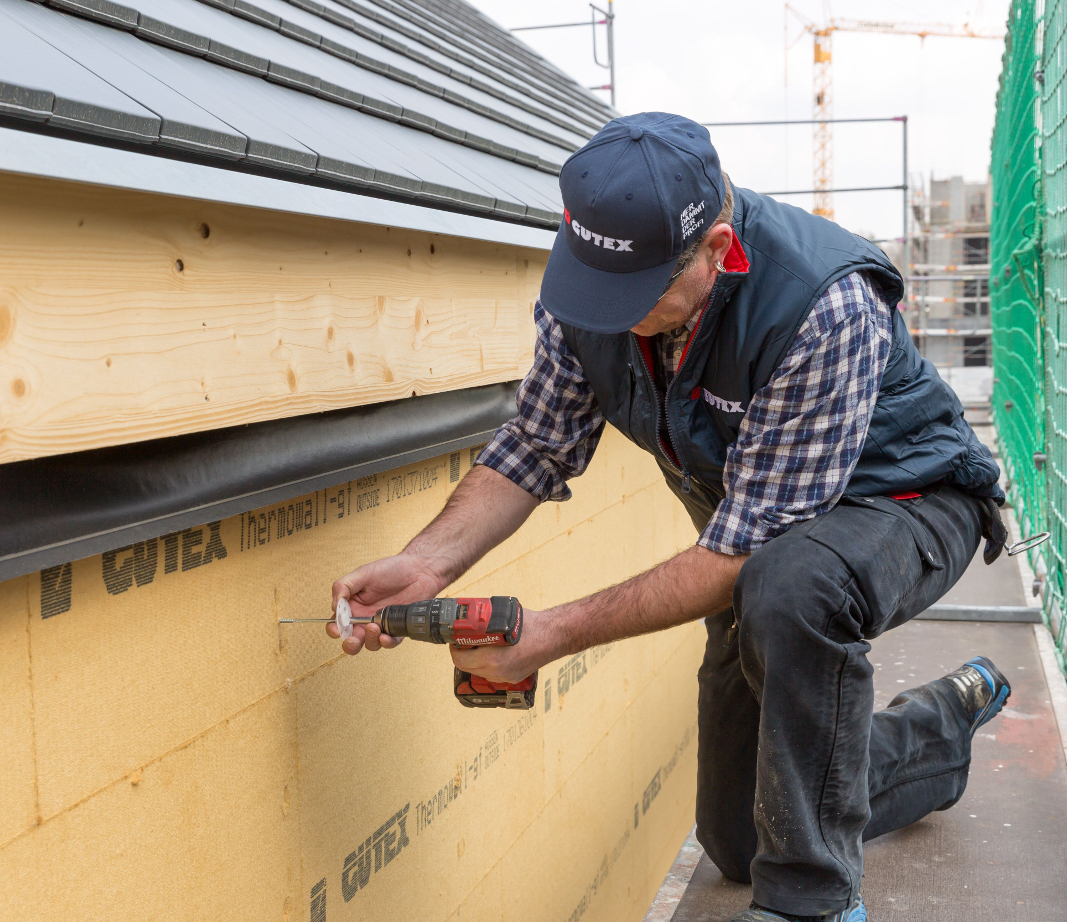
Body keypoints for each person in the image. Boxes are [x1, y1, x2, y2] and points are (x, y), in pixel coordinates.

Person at [327, 113, 1012, 922]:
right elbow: (539, 443)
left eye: (636, 296)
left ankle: (813, 904)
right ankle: (940, 728)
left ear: (718, 251)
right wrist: (430, 561)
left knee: (794, 585)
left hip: (906, 499)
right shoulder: (589, 288)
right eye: (595, 291)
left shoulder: (822, 305)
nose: (608, 316)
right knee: (735, 836)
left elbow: (747, 550)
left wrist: (552, 632)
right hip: (762, 540)